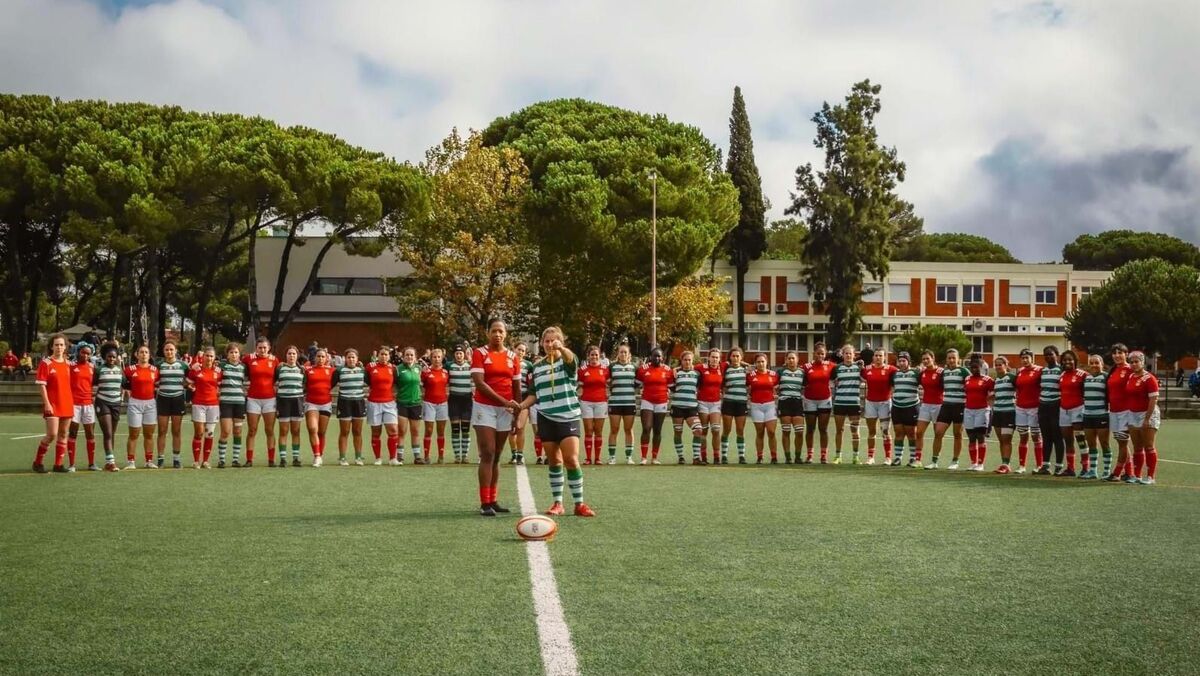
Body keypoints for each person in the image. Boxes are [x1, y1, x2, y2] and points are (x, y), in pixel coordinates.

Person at [517, 326, 595, 517]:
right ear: (542, 343)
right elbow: (534, 394)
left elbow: (570, 359)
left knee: (571, 459)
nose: (550, 344)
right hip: (546, 418)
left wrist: (562, 349)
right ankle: (558, 503)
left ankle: (579, 503)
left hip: (568, 416)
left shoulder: (568, 359)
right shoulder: (536, 367)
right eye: (547, 341)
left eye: (554, 340)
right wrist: (519, 406)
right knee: (554, 461)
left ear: (561, 341)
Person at [471, 319, 522, 516]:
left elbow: (517, 388)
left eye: (501, 331)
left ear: (506, 334)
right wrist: (504, 402)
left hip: (505, 410)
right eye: (494, 331)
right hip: (484, 407)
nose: (497, 334)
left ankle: (493, 499)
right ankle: (484, 503)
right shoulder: (480, 353)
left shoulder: (512, 356)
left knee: (498, 455)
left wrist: (516, 416)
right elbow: (480, 384)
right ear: (487, 333)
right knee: (488, 452)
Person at [32, 334, 73, 473]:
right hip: (53, 404)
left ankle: (58, 464)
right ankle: (37, 462)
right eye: (56, 345)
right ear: (51, 346)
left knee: (63, 434)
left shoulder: (69, 364)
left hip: (67, 402)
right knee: (52, 434)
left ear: (65, 347)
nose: (59, 347)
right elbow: (42, 385)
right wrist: (47, 404)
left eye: (62, 345)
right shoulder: (46, 363)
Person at [243, 337, 280, 468]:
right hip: (253, 399)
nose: (262, 350)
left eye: (265, 347)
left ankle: (271, 459)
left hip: (270, 399)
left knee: (269, 430)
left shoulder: (274, 360)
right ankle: (249, 459)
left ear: (269, 348)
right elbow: (235, 364)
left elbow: (277, 376)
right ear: (256, 348)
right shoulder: (248, 359)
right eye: (260, 347)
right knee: (252, 430)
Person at [1124, 351, 1160, 485]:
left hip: (1147, 414)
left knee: (1148, 446)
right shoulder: (1131, 377)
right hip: (1133, 414)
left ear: (1142, 362)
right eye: (1131, 362)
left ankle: (1150, 476)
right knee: (1137, 447)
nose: (1134, 364)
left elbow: (1153, 399)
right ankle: (1137, 475)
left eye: (1136, 361)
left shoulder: (1149, 378)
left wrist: (1147, 418)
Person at [930, 349, 968, 470]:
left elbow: (971, 386)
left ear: (958, 359)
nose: (951, 360)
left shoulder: (964, 371)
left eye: (953, 358)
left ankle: (955, 461)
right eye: (949, 358)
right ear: (946, 360)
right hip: (946, 406)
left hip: (960, 406)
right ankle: (934, 461)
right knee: (938, 432)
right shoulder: (944, 372)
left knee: (957, 434)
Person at [123, 344, 160, 469]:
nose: (144, 354)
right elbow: (123, 382)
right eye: (141, 352)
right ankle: (131, 462)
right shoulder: (130, 369)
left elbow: (159, 383)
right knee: (134, 434)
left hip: (150, 404)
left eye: (146, 352)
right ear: (136, 354)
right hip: (135, 403)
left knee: (149, 434)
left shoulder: (155, 370)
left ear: (149, 355)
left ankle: (149, 461)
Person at [636, 347, 674, 465]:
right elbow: (636, 384)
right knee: (646, 428)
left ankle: (654, 457)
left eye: (659, 356)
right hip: (647, 401)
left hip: (661, 402)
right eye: (654, 356)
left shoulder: (668, 370)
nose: (657, 358)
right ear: (650, 357)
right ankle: (643, 457)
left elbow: (673, 387)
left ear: (662, 358)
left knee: (657, 430)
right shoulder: (643, 369)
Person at [186, 346, 222, 469]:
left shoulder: (218, 371)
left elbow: (221, 385)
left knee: (209, 433)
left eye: (211, 356)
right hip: (199, 404)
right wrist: (192, 388)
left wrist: (219, 393)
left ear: (214, 358)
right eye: (207, 355)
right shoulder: (196, 369)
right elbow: (187, 383)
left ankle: (205, 461)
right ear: (203, 356)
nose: (209, 358)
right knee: (199, 432)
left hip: (213, 405)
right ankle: (196, 461)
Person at [155, 340, 188, 468]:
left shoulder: (183, 366)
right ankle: (160, 459)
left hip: (178, 399)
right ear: (163, 352)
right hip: (163, 399)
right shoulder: (159, 365)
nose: (169, 352)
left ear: (176, 351)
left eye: (171, 349)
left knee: (176, 431)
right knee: (162, 430)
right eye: (166, 350)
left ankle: (176, 459)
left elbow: (189, 380)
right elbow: (154, 379)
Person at [366, 346, 400, 465]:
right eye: (382, 354)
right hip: (374, 403)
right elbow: (367, 380)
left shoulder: (393, 368)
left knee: (393, 430)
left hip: (389, 403)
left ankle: (392, 459)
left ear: (389, 356)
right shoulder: (370, 367)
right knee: (376, 432)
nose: (384, 356)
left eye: (386, 354)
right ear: (377, 355)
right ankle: (378, 458)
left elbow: (396, 383)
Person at [65, 344, 97, 472]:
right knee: (73, 433)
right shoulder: (71, 366)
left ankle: (91, 464)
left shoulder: (92, 367)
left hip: (88, 404)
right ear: (78, 352)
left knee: (90, 434)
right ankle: (72, 464)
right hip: (74, 404)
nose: (86, 356)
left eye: (88, 354)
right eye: (83, 353)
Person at [862, 349, 896, 465]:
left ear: (884, 357)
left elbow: (902, 372)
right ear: (873, 357)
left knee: (885, 431)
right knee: (871, 431)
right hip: (870, 403)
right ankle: (870, 457)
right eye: (876, 355)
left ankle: (888, 458)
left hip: (885, 403)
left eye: (880, 356)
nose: (877, 358)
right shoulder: (867, 369)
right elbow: (858, 373)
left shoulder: (890, 369)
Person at [333, 348, 367, 465]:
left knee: (357, 431)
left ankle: (358, 457)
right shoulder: (339, 370)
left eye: (353, 357)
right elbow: (330, 385)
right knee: (345, 431)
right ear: (345, 359)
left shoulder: (362, 371)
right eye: (349, 357)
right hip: (344, 403)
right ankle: (342, 457)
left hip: (359, 403)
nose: (351, 359)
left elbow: (372, 382)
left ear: (357, 359)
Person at [1104, 344, 1133, 481]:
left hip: (1125, 411)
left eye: (1120, 352)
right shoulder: (1114, 370)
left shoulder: (1129, 369)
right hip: (1114, 411)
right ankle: (1129, 472)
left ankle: (1117, 472)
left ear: (1126, 354)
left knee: (1122, 442)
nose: (1117, 355)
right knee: (1121, 442)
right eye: (1114, 353)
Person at [92, 345, 123, 471]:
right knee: (108, 433)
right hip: (102, 402)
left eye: (113, 357)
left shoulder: (120, 370)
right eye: (109, 356)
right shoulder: (99, 370)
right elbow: (93, 385)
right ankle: (111, 462)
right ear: (105, 357)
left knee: (112, 433)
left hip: (116, 403)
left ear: (117, 358)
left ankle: (109, 459)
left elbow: (124, 384)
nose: (111, 359)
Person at [831, 344, 864, 464]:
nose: (848, 355)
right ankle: (838, 456)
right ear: (842, 355)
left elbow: (866, 380)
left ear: (854, 355)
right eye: (846, 353)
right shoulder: (837, 368)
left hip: (854, 404)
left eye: (850, 353)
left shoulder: (859, 368)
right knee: (839, 430)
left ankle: (856, 456)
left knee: (855, 430)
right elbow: (832, 381)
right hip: (840, 403)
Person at [1057, 351, 1087, 477]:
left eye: (1070, 359)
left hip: (1078, 409)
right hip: (1064, 410)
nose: (1067, 362)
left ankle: (1086, 467)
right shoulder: (1062, 375)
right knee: (1068, 440)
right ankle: (1071, 468)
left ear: (1075, 360)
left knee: (1080, 439)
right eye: (1065, 360)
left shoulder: (1082, 374)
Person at [577, 346, 610, 466]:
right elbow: (579, 386)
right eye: (592, 355)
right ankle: (587, 458)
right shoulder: (582, 370)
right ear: (588, 356)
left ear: (600, 356)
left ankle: (597, 458)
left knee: (598, 431)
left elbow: (610, 384)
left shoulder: (605, 369)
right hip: (586, 402)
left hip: (601, 402)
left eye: (596, 355)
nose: (594, 357)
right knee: (589, 430)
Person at [802, 342, 834, 463]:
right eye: (818, 353)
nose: (820, 356)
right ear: (813, 353)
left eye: (822, 354)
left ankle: (823, 455)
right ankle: (810, 455)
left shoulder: (831, 365)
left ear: (825, 354)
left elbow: (841, 369)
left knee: (823, 429)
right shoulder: (806, 367)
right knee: (810, 429)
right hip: (809, 400)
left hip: (825, 400)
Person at [1035, 346, 1065, 475]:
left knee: (1057, 436)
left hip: (1056, 406)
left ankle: (1058, 466)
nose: (1048, 357)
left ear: (1057, 355)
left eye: (1050, 354)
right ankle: (1045, 466)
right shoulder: (1043, 371)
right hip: (1043, 406)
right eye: (1045, 355)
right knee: (1046, 437)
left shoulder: (1061, 370)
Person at [669, 350, 702, 464]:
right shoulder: (675, 373)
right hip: (677, 407)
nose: (687, 362)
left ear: (692, 361)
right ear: (681, 361)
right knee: (678, 432)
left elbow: (697, 388)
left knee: (698, 430)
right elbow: (672, 388)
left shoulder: (697, 374)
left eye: (689, 360)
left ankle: (696, 458)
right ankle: (681, 457)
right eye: (685, 360)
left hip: (692, 408)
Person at [606, 344, 638, 464]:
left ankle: (629, 457)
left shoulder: (634, 367)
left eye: (625, 352)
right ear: (617, 354)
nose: (623, 354)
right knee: (614, 429)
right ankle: (612, 457)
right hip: (615, 403)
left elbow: (637, 383)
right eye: (621, 352)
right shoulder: (612, 367)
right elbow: (607, 381)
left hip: (629, 403)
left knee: (628, 430)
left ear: (629, 354)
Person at [1013, 349, 1043, 474]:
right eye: (1023, 358)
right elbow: (1018, 389)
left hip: (1034, 408)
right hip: (1020, 408)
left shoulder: (1040, 370)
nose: (1025, 360)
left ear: (1032, 357)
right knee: (1023, 436)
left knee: (1036, 436)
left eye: (1027, 357)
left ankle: (1039, 465)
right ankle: (1022, 466)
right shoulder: (1020, 372)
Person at [216, 343, 247, 468]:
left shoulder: (244, 367)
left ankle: (235, 460)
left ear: (239, 354)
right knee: (226, 431)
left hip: (239, 402)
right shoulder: (222, 366)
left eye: (236, 352)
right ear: (227, 354)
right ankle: (221, 459)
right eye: (231, 352)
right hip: (226, 403)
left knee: (238, 431)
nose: (234, 355)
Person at [303, 348, 335, 467]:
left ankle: (320, 454)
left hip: (326, 403)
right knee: (312, 428)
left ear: (327, 358)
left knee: (321, 432)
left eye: (323, 356)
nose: (320, 358)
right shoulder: (308, 370)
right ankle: (316, 456)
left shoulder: (332, 371)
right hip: (311, 403)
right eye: (318, 356)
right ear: (314, 358)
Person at [274, 346, 305, 467]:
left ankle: (296, 458)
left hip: (297, 402)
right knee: (283, 431)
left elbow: (305, 385)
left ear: (297, 356)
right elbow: (273, 380)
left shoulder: (301, 370)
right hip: (283, 402)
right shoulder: (280, 368)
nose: (291, 356)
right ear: (285, 355)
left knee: (296, 431)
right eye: (289, 353)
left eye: (293, 354)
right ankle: (283, 458)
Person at [1081, 354, 1110, 480]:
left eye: (1096, 363)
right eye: (1091, 363)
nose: (1093, 365)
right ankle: (1093, 470)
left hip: (1102, 415)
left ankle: (1107, 471)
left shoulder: (1106, 377)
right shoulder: (1086, 378)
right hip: (1087, 415)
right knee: (1091, 444)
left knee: (1104, 443)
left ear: (1102, 364)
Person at [889, 352, 920, 467]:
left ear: (908, 362)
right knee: (898, 433)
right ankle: (898, 458)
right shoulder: (895, 374)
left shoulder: (916, 373)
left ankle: (912, 458)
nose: (901, 363)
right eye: (900, 361)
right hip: (897, 407)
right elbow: (892, 387)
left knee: (912, 433)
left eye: (904, 361)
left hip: (911, 407)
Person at [963, 354, 993, 472]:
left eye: (977, 367)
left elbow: (993, 394)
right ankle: (973, 462)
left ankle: (981, 463)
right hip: (969, 410)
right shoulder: (967, 379)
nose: (974, 369)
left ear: (981, 367)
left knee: (980, 436)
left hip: (982, 410)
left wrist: (991, 405)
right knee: (971, 437)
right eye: (972, 367)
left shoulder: (988, 380)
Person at [747, 353, 780, 464]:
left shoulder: (774, 375)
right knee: (760, 432)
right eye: (758, 362)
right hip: (756, 406)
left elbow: (778, 387)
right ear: (755, 364)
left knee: (771, 432)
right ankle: (760, 457)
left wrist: (777, 394)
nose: (761, 364)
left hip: (770, 405)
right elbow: (747, 387)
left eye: (763, 361)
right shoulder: (751, 375)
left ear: (767, 362)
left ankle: (774, 457)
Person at [719, 347, 750, 464]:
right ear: (729, 357)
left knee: (740, 430)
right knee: (727, 430)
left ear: (741, 357)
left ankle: (741, 456)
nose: (735, 358)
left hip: (741, 403)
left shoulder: (745, 370)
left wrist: (743, 363)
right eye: (733, 356)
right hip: (728, 402)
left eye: (738, 356)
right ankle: (724, 456)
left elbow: (756, 369)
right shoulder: (725, 369)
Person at [396, 347, 425, 464]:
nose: (409, 357)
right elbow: (393, 385)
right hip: (402, 403)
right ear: (403, 357)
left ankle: (417, 457)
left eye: (411, 355)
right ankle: (399, 456)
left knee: (415, 431)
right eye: (407, 355)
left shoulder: (419, 368)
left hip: (416, 403)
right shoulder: (398, 369)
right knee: (402, 431)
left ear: (415, 357)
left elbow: (422, 383)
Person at [695, 348, 724, 465]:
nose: (714, 359)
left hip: (715, 403)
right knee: (704, 431)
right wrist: (676, 370)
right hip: (702, 402)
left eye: (717, 357)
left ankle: (717, 457)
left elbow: (737, 361)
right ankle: (704, 456)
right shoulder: (701, 368)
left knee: (716, 429)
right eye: (713, 357)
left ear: (719, 359)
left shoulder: (722, 368)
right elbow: (687, 367)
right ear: (708, 357)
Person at [420, 348, 450, 463]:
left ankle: (441, 456)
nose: (437, 359)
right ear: (431, 358)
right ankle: (426, 456)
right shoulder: (426, 372)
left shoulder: (446, 372)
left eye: (439, 357)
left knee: (441, 430)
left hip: (442, 403)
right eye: (434, 357)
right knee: (428, 430)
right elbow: (421, 386)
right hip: (429, 403)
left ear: (442, 358)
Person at [776, 352, 805, 464]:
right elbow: (773, 384)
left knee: (799, 431)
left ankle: (798, 456)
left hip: (797, 402)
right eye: (789, 358)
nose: (791, 360)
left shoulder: (802, 373)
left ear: (797, 360)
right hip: (784, 402)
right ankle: (788, 457)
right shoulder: (780, 372)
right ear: (786, 360)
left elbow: (806, 385)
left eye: (793, 358)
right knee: (786, 431)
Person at [915, 351, 943, 469]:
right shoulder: (922, 373)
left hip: (938, 405)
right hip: (925, 405)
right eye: (923, 359)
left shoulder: (941, 372)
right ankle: (918, 459)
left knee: (938, 434)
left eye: (927, 358)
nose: (925, 361)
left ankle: (934, 461)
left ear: (933, 358)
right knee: (919, 432)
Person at [447, 345, 474, 464]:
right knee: (455, 429)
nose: (459, 355)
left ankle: (465, 456)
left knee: (465, 429)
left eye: (461, 353)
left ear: (464, 354)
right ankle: (457, 456)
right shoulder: (449, 366)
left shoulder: (470, 366)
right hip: (454, 400)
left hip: (467, 400)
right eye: (457, 353)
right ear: (454, 355)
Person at [990, 356, 1017, 474]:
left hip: (1009, 412)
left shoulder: (1012, 378)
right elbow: (995, 395)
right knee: (1001, 440)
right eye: (996, 365)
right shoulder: (996, 380)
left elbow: (1021, 390)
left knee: (1006, 439)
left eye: (1000, 364)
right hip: (997, 412)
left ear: (1006, 365)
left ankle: (1006, 465)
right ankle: (1004, 463)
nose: (998, 367)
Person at [509, 343, 534, 465]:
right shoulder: (508, 362)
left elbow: (530, 383)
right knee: (510, 428)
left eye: (523, 351)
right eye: (519, 349)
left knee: (520, 427)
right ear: (514, 349)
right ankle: (513, 453)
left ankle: (520, 454)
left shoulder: (529, 365)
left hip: (523, 398)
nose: (520, 352)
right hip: (510, 398)